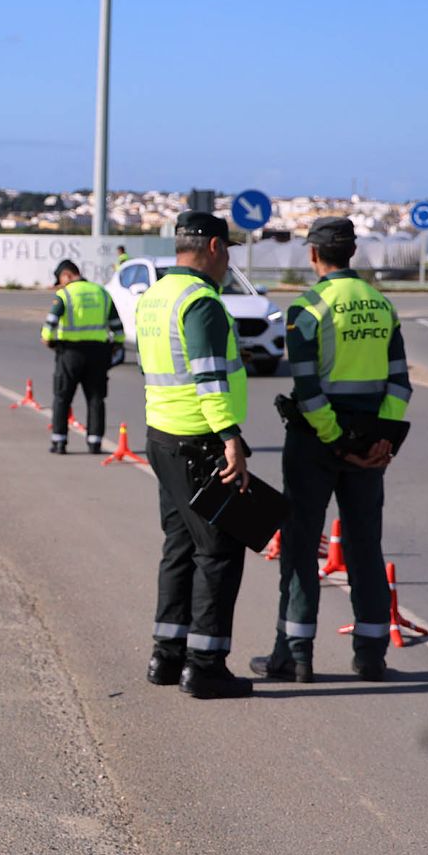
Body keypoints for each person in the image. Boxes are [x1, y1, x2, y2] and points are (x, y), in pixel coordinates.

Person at [252, 218, 409, 683]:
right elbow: (399, 382)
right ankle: (372, 654)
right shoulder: (382, 306)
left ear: (314, 255)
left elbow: (306, 387)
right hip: (370, 442)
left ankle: (295, 655)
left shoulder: (307, 308)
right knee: (365, 545)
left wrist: (336, 441)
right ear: (352, 253)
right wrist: (380, 439)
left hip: (316, 443)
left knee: (300, 546)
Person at [136, 211, 254, 699]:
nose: (228, 261)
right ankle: (205, 665)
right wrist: (230, 437)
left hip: (162, 435)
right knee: (220, 551)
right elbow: (209, 379)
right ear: (213, 247)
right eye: (227, 250)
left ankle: (167, 656)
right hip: (199, 442)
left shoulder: (155, 295)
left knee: (180, 545)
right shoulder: (202, 302)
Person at [40, 258, 122, 454]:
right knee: (95, 398)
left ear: (67, 274)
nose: (61, 284)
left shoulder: (65, 295)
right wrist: (114, 346)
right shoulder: (101, 293)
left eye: (61, 279)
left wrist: (49, 340)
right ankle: (95, 442)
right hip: (98, 353)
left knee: (62, 397)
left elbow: (49, 325)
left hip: (69, 353)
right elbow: (117, 327)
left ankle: (59, 442)